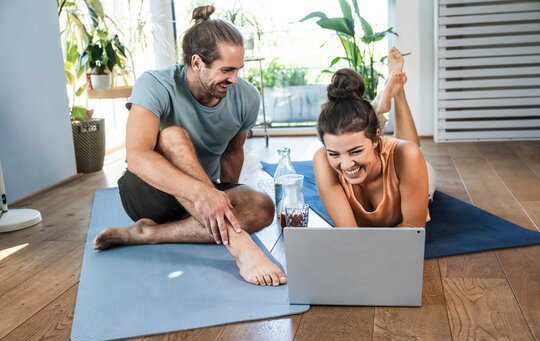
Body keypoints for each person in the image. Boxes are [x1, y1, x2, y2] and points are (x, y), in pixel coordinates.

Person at [93, 5, 287, 287]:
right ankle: (238, 244)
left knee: (262, 207)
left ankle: (146, 235)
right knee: (172, 136)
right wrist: (203, 195)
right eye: (227, 70)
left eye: (238, 70)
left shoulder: (246, 97)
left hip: (202, 194)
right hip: (150, 194)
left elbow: (232, 153)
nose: (234, 79)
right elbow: (137, 157)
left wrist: (224, 200)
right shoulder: (155, 84)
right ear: (197, 63)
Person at [313, 47, 436, 228]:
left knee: (411, 152)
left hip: (416, 169)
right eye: (334, 154)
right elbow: (349, 235)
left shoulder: (408, 156)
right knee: (406, 150)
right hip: (375, 141)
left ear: (377, 138)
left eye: (355, 151)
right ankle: (380, 103)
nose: (346, 164)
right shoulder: (322, 159)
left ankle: (397, 93)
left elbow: (412, 231)